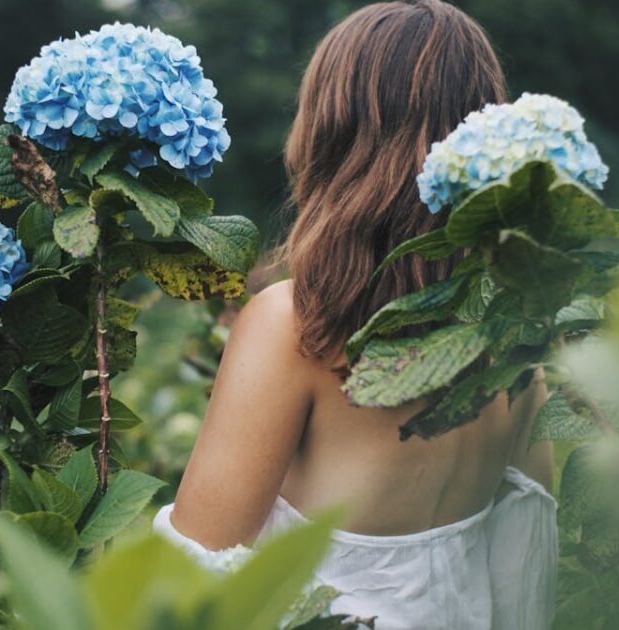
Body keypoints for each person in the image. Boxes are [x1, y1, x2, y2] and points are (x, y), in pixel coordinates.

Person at [153, 1, 557, 627]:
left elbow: (190, 584)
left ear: (331, 130)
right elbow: (522, 568)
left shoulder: (296, 326)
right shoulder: (514, 325)